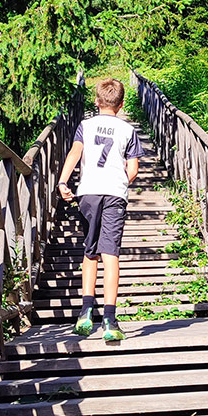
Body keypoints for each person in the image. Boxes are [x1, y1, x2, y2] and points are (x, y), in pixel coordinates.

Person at [57, 78, 143, 340]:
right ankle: (110, 319)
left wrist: (63, 181)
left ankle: (85, 312)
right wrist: (120, 183)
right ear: (121, 104)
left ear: (96, 101)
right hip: (114, 194)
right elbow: (133, 169)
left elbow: (74, 153)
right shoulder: (129, 131)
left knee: (90, 250)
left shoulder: (86, 125)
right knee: (110, 253)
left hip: (88, 192)